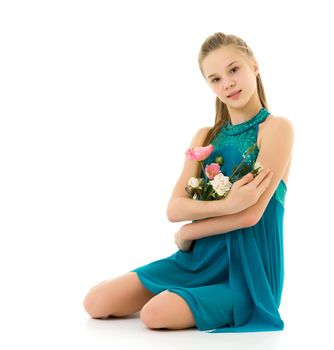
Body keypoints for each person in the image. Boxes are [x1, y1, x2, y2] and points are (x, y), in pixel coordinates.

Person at [83, 32, 294, 333]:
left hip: (248, 271)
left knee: (154, 315)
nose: (228, 83)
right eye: (216, 78)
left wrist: (188, 232)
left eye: (234, 70)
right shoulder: (205, 137)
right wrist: (226, 204)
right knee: (96, 302)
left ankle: (185, 299)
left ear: (254, 66)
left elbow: (250, 215)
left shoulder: (276, 129)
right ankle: (183, 293)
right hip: (197, 259)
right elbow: (174, 208)